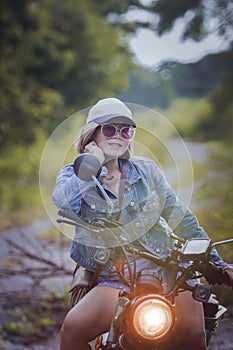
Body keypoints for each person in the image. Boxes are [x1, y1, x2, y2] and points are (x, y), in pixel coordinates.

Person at [52, 98, 233, 350]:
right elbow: (63, 201)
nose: (118, 136)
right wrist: (91, 166)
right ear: (92, 133)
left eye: (125, 130)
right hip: (116, 276)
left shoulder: (146, 171)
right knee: (73, 329)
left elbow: (182, 219)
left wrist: (219, 264)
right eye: (109, 129)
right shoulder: (73, 175)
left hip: (168, 267)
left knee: (192, 335)